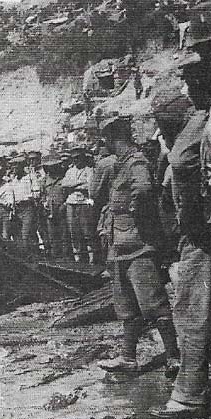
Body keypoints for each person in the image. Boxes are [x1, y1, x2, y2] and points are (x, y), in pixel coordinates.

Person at [150, 3, 211, 413]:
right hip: (199, 236)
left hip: (204, 238)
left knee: (192, 310)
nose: (191, 85)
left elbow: (186, 166)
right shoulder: (201, 121)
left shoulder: (199, 128)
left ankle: (189, 397)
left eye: (197, 75)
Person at [97, 116, 180, 379]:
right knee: (127, 308)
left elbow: (144, 191)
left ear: (113, 139)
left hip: (138, 246)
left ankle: (174, 357)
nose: (105, 144)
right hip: (120, 247)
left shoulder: (136, 162)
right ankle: (128, 359)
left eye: (107, 140)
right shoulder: (121, 164)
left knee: (153, 305)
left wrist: (137, 218)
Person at [61, 146, 94, 263]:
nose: (76, 160)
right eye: (74, 158)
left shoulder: (89, 170)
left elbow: (89, 186)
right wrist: (79, 183)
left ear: (83, 157)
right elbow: (64, 184)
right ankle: (77, 258)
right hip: (71, 203)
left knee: (87, 232)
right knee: (73, 232)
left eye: (78, 158)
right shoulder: (70, 171)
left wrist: (73, 185)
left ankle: (91, 259)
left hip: (84, 203)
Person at [9, 155, 39, 254]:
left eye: (16, 167)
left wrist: (26, 198)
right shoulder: (13, 180)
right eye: (12, 167)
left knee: (27, 234)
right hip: (17, 210)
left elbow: (36, 193)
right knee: (18, 235)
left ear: (21, 167)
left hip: (27, 208)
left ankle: (34, 254)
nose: (13, 169)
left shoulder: (30, 177)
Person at [40, 155, 68, 260]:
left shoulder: (64, 177)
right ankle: (56, 259)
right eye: (48, 167)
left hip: (62, 209)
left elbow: (68, 193)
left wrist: (64, 205)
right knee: (52, 237)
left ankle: (67, 259)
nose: (51, 168)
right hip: (50, 211)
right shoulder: (44, 181)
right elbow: (42, 195)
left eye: (53, 166)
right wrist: (44, 203)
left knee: (64, 236)